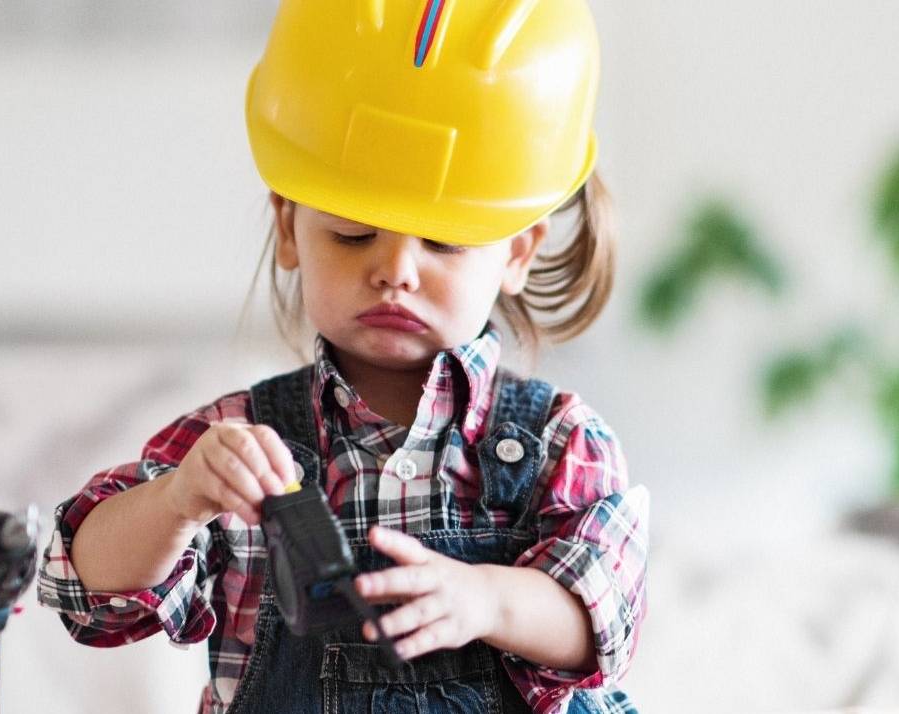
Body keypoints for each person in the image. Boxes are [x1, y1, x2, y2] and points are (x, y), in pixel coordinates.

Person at [35, 2, 646, 711]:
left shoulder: (558, 444)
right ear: (289, 227)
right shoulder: (236, 447)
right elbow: (85, 590)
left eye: (443, 242)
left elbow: (601, 620)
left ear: (517, 251)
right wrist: (178, 499)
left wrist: (486, 599)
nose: (395, 270)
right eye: (353, 235)